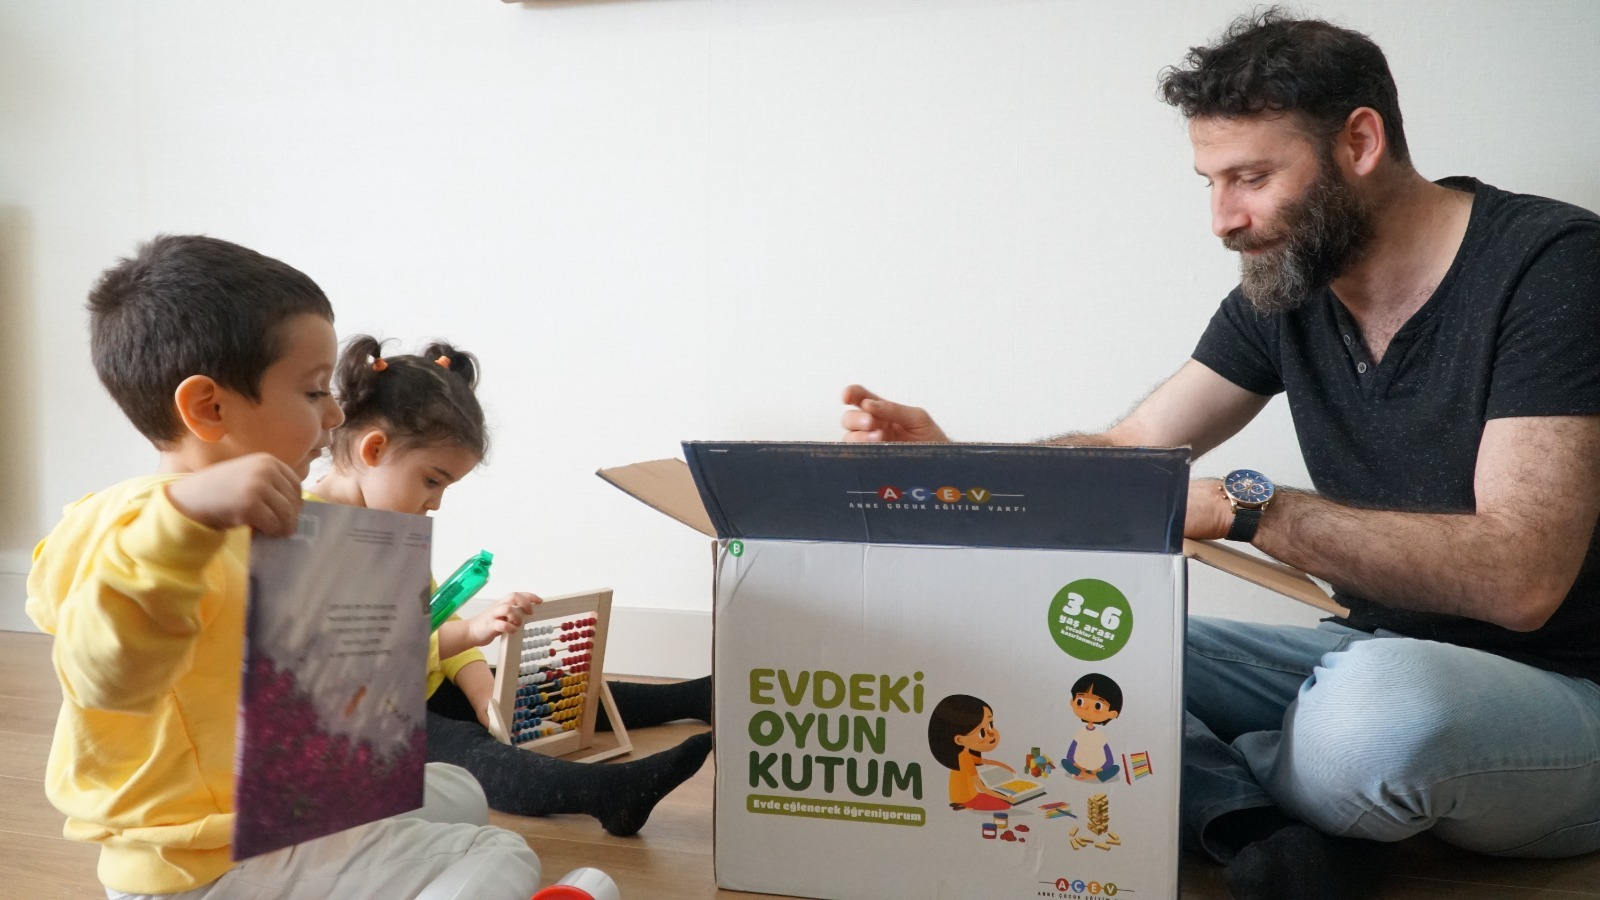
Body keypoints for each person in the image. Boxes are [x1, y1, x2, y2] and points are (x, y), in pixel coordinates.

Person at [841, 10, 1600, 900]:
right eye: (1210, 182)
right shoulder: (1292, 284)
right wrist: (963, 472)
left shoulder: (1553, 268)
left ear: (1359, 142)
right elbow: (1131, 450)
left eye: (1252, 177)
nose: (1223, 220)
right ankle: (1264, 825)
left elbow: (1521, 578)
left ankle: (1221, 780)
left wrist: (1252, 510)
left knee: (1377, 716)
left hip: (1559, 693)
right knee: (1043, 645)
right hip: (1361, 651)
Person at [25, 235, 541, 900]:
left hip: (281, 807)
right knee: (499, 852)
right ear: (209, 408)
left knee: (459, 791)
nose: (334, 415)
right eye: (312, 391)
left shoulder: (288, 525)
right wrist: (186, 517)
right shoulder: (129, 526)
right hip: (205, 862)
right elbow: (107, 675)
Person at [311, 335, 712, 837]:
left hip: (424, 683)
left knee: (538, 689)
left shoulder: (396, 525)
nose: (436, 503)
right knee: (470, 753)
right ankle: (606, 794)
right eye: (432, 481)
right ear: (374, 449)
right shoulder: (306, 537)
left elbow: (435, 615)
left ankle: (694, 697)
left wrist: (485, 692)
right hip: (371, 713)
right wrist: (469, 634)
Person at [927, 694, 1016, 811]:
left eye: (990, 725)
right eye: (982, 732)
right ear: (959, 739)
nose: (991, 733)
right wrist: (1006, 798)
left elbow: (981, 760)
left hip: (965, 796)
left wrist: (1003, 765)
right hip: (968, 799)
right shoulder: (964, 759)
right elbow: (981, 787)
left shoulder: (964, 754)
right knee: (1005, 804)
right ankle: (964, 805)